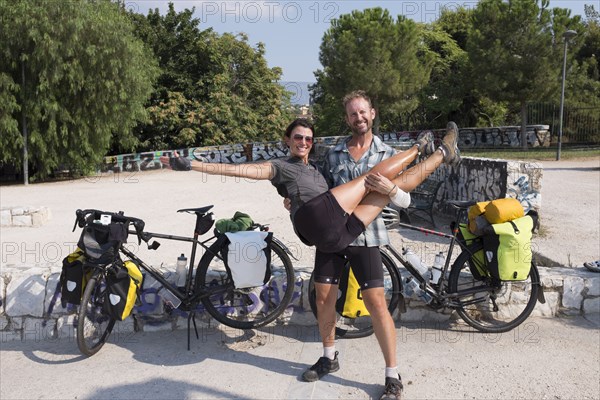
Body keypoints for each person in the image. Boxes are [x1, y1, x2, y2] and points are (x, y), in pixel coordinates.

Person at [298, 90, 459, 400]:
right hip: (333, 238)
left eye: (363, 112)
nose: (358, 117)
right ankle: (329, 357)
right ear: (346, 119)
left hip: (366, 236)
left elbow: (406, 200)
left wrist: (391, 190)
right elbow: (323, 196)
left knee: (376, 304)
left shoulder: (387, 154)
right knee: (324, 299)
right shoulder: (333, 156)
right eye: (352, 114)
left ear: (372, 113)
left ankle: (392, 374)